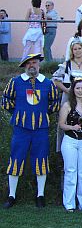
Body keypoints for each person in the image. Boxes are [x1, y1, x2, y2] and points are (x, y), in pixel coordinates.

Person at [2, 53, 60, 209]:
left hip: (41, 129)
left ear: (39, 64)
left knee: (41, 159)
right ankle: (11, 195)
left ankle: (40, 195)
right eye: (28, 63)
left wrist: (42, 115)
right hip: (21, 129)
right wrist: (19, 115)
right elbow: (6, 100)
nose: (31, 65)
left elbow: (55, 103)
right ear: (24, 66)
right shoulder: (15, 82)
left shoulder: (48, 84)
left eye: (34, 62)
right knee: (16, 158)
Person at [58, 78, 82, 212]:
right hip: (70, 141)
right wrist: (72, 127)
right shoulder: (67, 105)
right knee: (70, 171)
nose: (80, 91)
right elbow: (61, 124)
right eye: (77, 88)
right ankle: (69, 202)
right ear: (73, 89)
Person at [53, 41, 82, 151]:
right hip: (69, 96)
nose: (77, 51)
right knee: (66, 120)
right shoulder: (67, 63)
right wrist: (68, 91)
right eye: (75, 49)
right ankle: (64, 150)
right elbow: (56, 80)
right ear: (72, 51)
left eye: (79, 48)